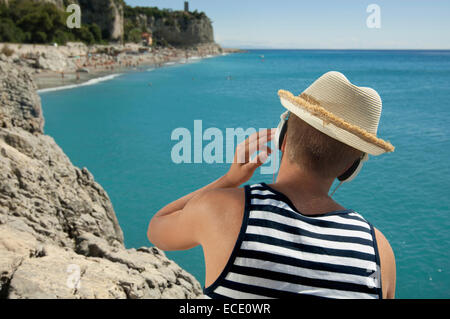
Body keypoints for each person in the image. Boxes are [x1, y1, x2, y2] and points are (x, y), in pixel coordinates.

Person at [148, 71, 396, 299]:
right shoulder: (379, 253)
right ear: (350, 168)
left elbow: (157, 229)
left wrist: (229, 181)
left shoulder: (222, 209)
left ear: (283, 136)